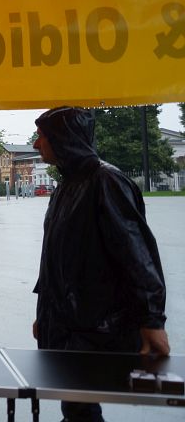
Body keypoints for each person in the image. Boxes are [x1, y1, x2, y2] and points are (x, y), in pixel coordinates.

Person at [32, 106, 169, 422]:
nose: (37, 144)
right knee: (76, 405)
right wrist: (45, 315)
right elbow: (54, 258)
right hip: (69, 323)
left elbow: (137, 254)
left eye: (42, 136)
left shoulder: (106, 181)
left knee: (79, 406)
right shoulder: (67, 185)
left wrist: (152, 321)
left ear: (63, 137)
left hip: (95, 325)